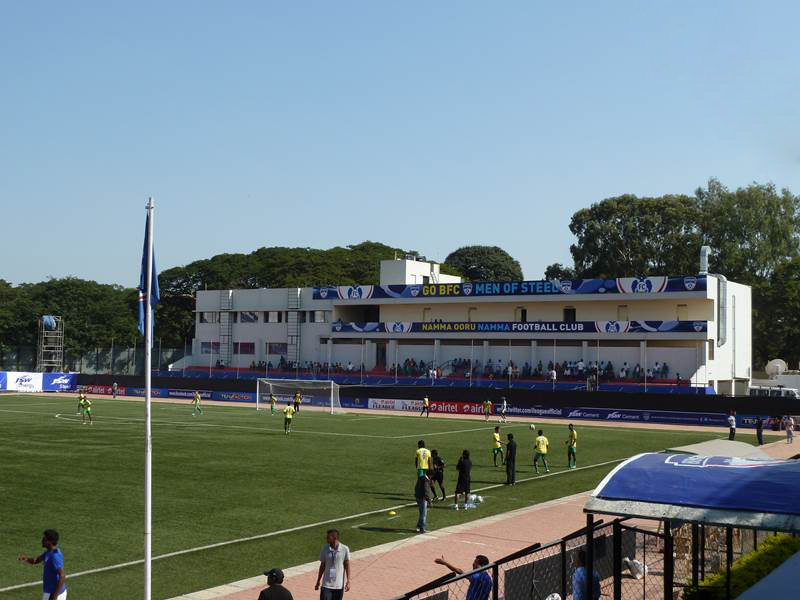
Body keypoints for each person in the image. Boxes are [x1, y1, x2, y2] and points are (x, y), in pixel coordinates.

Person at [18, 529, 67, 600]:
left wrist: (55, 597)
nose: (42, 540)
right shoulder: (49, 552)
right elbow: (36, 560)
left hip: (54, 594)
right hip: (50, 592)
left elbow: (62, 576)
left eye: (45, 539)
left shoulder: (55, 556)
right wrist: (27, 559)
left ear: (50, 541)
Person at [315, 529, 351, 599]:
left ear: (334, 537)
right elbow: (322, 565)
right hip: (326, 585)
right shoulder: (325, 548)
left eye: (328, 537)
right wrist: (318, 581)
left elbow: (347, 565)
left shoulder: (345, 549)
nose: (326, 539)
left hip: (339, 585)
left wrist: (348, 581)